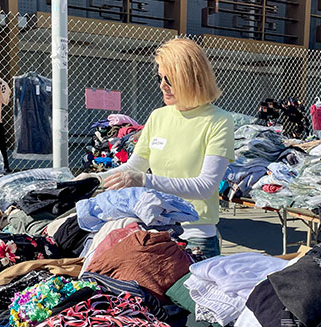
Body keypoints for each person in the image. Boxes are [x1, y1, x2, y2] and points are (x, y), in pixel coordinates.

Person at [97, 37, 234, 258]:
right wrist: (93, 180)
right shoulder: (158, 116)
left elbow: (205, 186)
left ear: (191, 78)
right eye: (159, 77)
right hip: (155, 233)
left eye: (169, 79)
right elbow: (134, 167)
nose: (162, 85)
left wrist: (143, 180)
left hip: (195, 237)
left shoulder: (218, 121)